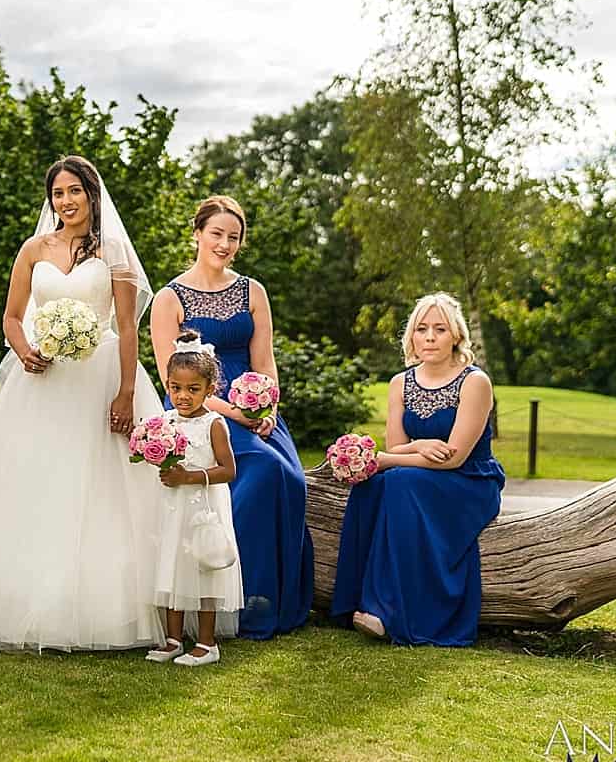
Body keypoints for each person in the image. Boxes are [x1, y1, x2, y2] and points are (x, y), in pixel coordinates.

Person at [0, 155, 166, 651]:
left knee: (101, 489)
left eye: (75, 191)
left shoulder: (112, 250)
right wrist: (27, 351)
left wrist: (126, 391)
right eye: (58, 193)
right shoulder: (33, 248)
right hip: (44, 384)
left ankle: (107, 609)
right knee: (35, 483)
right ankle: (19, 599)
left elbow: (126, 327)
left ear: (92, 196)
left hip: (100, 379)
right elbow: (12, 318)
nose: (66, 201)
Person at [149, 196, 314, 639]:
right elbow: (172, 379)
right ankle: (231, 601)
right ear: (198, 233)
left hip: (254, 410)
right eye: (216, 234)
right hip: (197, 412)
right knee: (260, 471)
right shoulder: (169, 298)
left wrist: (267, 405)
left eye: (233, 237)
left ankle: (271, 599)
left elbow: (265, 360)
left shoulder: (252, 291)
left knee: (293, 481)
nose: (224, 244)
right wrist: (233, 412)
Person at [329, 292, 505, 646]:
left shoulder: (475, 382)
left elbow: (453, 457)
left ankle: (387, 610)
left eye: (439, 329)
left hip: (469, 480)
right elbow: (397, 445)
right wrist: (417, 446)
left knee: (396, 482)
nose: (429, 337)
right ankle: (356, 600)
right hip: (417, 470)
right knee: (372, 485)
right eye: (421, 329)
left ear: (455, 336)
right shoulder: (401, 383)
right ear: (411, 336)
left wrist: (386, 460)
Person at [145, 330, 242, 668]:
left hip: (203, 507)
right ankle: (173, 638)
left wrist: (190, 477)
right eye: (176, 388)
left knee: (204, 569)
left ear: (209, 389)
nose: (182, 396)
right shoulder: (164, 421)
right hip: (172, 507)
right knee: (172, 564)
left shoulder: (214, 424)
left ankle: (206, 641)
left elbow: (228, 470)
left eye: (192, 389)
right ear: (167, 385)